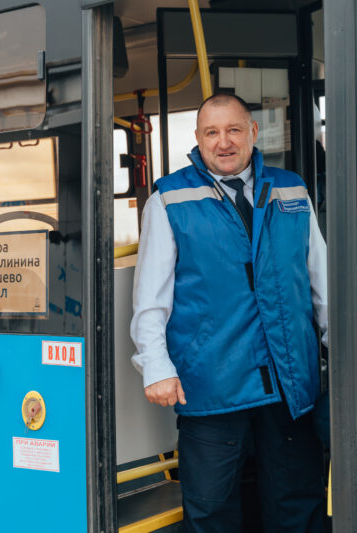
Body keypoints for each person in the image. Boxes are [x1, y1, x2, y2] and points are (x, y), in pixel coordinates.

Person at [130, 92, 328, 532]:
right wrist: (156, 367)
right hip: (211, 389)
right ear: (198, 139)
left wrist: (342, 353)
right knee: (213, 510)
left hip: (289, 387)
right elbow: (150, 301)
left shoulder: (292, 190)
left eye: (234, 130)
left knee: (298, 502)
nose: (224, 142)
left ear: (253, 133)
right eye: (212, 132)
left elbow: (321, 283)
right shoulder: (169, 201)